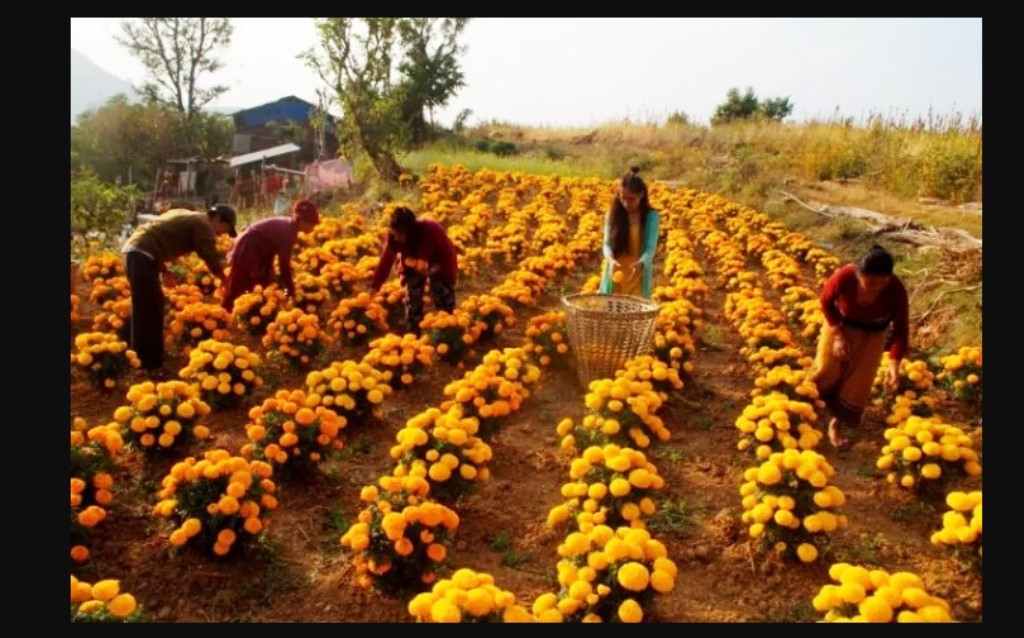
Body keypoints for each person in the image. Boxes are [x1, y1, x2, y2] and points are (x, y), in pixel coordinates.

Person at [810, 244, 910, 450]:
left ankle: (835, 425)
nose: (876, 287)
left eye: (881, 282)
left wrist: (893, 365)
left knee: (859, 383)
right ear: (859, 274)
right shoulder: (844, 277)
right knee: (825, 371)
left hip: (873, 336)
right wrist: (838, 336)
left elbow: (901, 330)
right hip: (841, 327)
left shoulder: (895, 289)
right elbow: (826, 302)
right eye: (870, 282)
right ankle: (805, 413)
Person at [121, 205, 237, 374]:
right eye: (226, 229)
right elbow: (209, 254)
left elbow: (157, 235)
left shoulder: (188, 214)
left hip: (139, 253)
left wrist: (164, 270)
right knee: (148, 308)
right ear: (218, 218)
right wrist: (225, 280)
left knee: (148, 304)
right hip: (140, 255)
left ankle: (133, 351)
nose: (223, 234)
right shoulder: (202, 224)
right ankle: (148, 363)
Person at [369, 207, 458, 336]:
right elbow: (385, 262)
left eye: (400, 234)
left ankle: (449, 333)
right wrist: (374, 287)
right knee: (412, 297)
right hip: (413, 262)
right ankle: (414, 335)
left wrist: (430, 270)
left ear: (410, 230)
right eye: (395, 233)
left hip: (440, 262)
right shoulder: (394, 237)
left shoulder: (431, 231)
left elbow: (437, 260)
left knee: (442, 294)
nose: (397, 238)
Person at [221, 199, 321, 312]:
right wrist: (290, 288)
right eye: (312, 224)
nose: (313, 228)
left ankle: (257, 316)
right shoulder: (288, 232)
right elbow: (283, 264)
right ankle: (223, 315)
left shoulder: (291, 228)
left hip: (258, 251)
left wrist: (270, 272)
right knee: (237, 286)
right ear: (302, 221)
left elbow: (271, 248)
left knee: (262, 285)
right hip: (247, 248)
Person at [598, 167, 661, 299]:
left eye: (631, 199)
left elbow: (650, 247)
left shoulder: (651, 216)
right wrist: (610, 260)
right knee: (611, 311)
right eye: (623, 198)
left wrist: (642, 262)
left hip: (637, 273)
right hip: (616, 270)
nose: (626, 203)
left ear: (641, 195)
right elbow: (607, 244)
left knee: (634, 313)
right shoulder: (612, 215)